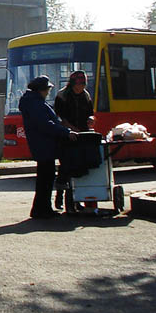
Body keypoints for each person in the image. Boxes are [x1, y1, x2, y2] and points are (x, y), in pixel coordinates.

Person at [19, 75, 78, 219]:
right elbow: (45, 124)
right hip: (44, 145)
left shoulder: (33, 102)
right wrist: (65, 132)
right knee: (46, 179)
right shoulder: (36, 104)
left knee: (45, 178)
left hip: (42, 145)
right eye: (47, 89)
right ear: (41, 90)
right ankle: (42, 209)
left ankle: (42, 208)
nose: (48, 92)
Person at [53, 70, 94, 209]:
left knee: (79, 169)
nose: (81, 87)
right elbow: (59, 118)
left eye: (83, 84)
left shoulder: (86, 96)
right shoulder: (62, 96)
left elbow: (91, 113)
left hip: (81, 136)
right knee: (65, 168)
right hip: (66, 137)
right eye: (78, 85)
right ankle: (60, 197)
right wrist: (71, 129)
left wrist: (90, 120)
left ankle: (76, 200)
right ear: (72, 84)